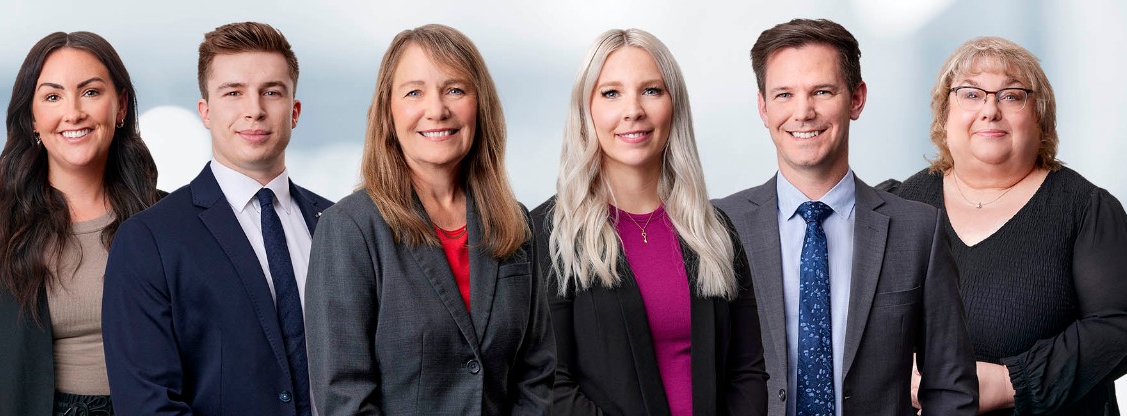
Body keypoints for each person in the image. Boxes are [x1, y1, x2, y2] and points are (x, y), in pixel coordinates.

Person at [712, 18, 978, 415]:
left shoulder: (918, 230)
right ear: (763, 107)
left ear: (856, 99)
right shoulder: (718, 226)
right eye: (784, 94)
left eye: (822, 91)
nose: (803, 112)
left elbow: (951, 388)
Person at [880, 36, 1127, 415]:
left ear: (1040, 116)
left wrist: (1012, 382)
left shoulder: (1085, 209)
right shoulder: (897, 204)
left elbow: (1122, 327)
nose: (990, 110)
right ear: (944, 115)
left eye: (1011, 96)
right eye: (971, 94)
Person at [303, 24, 552, 415]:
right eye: (414, 92)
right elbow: (343, 397)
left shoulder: (515, 223)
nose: (436, 110)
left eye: (455, 89)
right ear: (389, 110)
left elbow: (536, 373)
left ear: (479, 104)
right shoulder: (349, 229)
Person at [530, 28, 768, 416]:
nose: (633, 110)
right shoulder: (552, 233)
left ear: (674, 105)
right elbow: (550, 383)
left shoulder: (715, 231)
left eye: (651, 91)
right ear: (586, 110)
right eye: (611, 93)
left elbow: (746, 373)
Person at [0, 31, 160, 415]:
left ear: (120, 106)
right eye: (52, 97)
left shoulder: (166, 221)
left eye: (91, 92)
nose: (73, 113)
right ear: (33, 118)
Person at [102, 22, 331, 415]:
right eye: (233, 93)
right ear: (205, 112)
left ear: (294, 112)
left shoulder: (337, 224)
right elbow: (148, 403)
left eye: (271, 92)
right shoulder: (149, 240)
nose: (254, 110)